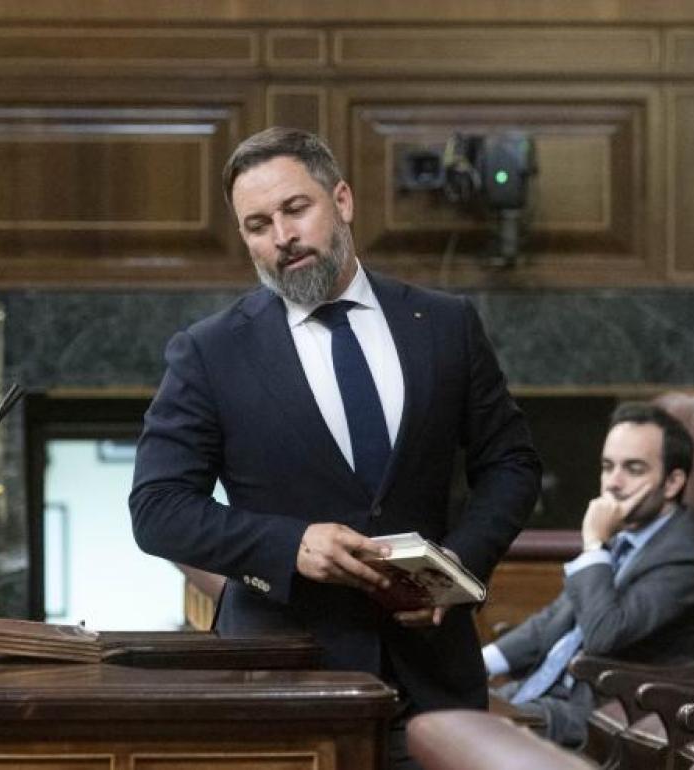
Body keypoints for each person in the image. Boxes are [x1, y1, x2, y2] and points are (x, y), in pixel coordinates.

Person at [129, 127, 542, 769]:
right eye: (258, 224)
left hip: (432, 681)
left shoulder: (444, 324)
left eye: (297, 209)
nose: (282, 237)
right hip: (284, 681)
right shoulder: (210, 351)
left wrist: (455, 570)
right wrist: (289, 546)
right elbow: (157, 509)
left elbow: (511, 465)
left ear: (341, 201)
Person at [483, 402, 694, 748]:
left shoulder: (685, 554)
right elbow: (557, 618)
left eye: (633, 469)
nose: (613, 483)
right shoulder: (626, 534)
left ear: (672, 482)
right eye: (608, 467)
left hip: (596, 713)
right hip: (539, 692)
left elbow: (604, 634)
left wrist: (594, 545)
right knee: (430, 704)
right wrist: (481, 662)